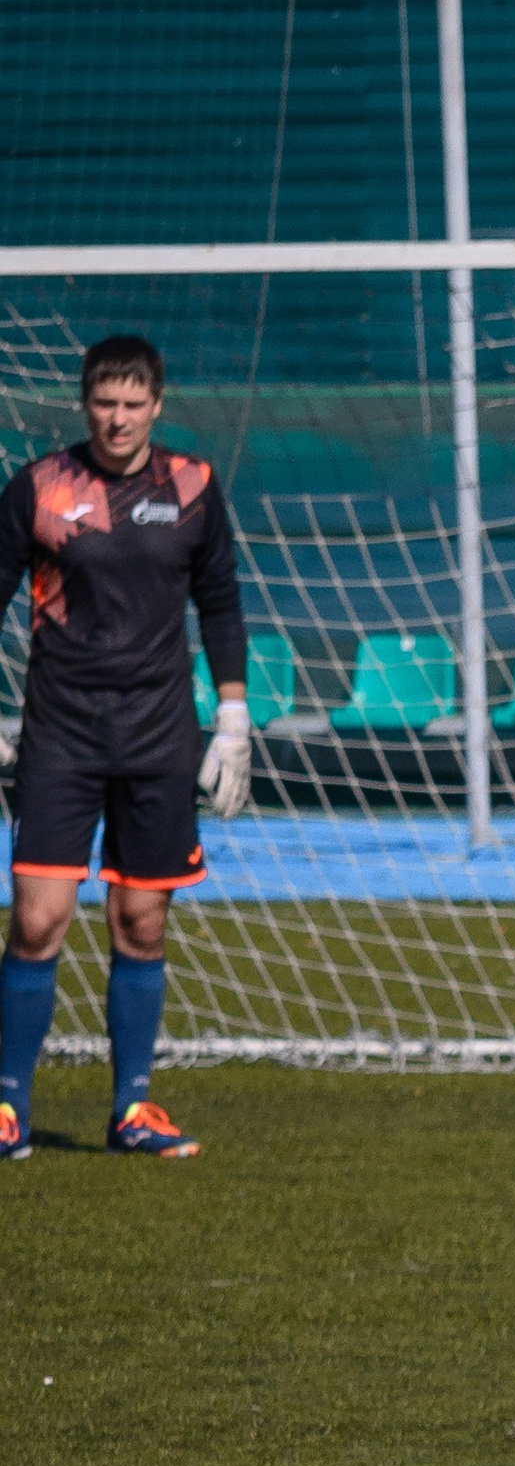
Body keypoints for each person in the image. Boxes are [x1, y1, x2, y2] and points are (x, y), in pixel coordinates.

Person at [0, 333, 251, 1160]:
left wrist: (234, 718)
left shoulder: (193, 488)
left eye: (132, 404)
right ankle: (6, 1110)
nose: (117, 418)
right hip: (60, 736)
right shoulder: (39, 487)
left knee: (141, 924)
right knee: (37, 923)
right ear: (85, 403)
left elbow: (220, 603)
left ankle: (132, 1111)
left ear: (156, 405)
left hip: (157, 739)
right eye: (104, 403)